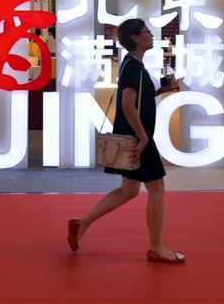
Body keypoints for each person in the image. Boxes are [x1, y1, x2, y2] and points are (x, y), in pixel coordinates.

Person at [68, 18, 184, 263]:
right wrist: (143, 138)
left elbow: (138, 99)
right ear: (135, 38)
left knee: (128, 190)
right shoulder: (133, 67)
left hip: (136, 135)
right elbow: (127, 106)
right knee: (157, 188)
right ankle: (156, 247)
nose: (151, 35)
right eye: (146, 32)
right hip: (138, 138)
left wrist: (161, 91)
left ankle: (82, 223)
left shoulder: (133, 64)